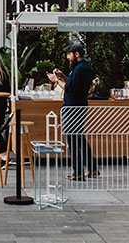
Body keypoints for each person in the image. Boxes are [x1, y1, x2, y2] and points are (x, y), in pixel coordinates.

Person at [49, 42, 98, 180]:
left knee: (72, 139)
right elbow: (72, 83)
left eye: (69, 54)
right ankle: (92, 168)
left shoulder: (80, 69)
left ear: (76, 54)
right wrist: (62, 76)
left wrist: (56, 80)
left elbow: (70, 88)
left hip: (73, 107)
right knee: (79, 138)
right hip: (78, 105)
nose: (67, 57)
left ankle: (78, 172)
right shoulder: (81, 68)